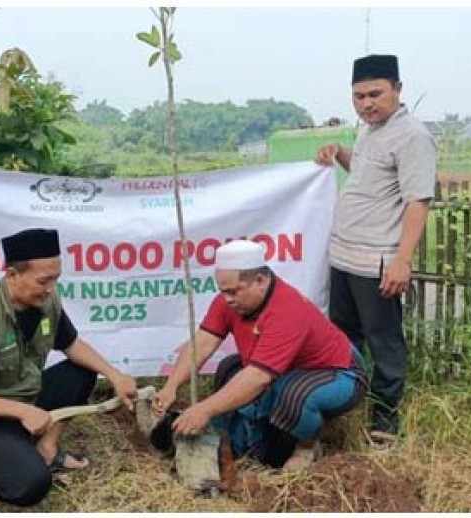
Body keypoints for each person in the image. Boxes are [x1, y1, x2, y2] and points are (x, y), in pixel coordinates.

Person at [0, 228, 139, 507]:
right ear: (11, 274)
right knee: (32, 484)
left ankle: (46, 446)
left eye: (55, 279)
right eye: (44, 281)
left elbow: (72, 343)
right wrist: (22, 411)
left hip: (22, 403)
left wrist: (115, 376)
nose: (51, 288)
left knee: (81, 371)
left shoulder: (46, 300)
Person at [152, 240, 367, 470]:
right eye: (223, 291)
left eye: (234, 291)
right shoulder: (229, 299)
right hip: (285, 369)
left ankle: (307, 446)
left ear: (260, 281)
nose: (227, 299)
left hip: (339, 372)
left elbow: (258, 377)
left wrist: (204, 409)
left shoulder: (287, 311)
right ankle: (226, 438)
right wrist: (172, 385)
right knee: (229, 368)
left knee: (294, 394)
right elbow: (202, 343)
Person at [315, 54, 437, 444]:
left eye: (375, 94)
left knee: (384, 342)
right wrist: (339, 152)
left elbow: (418, 201)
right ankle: (342, 407)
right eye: (358, 96)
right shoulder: (369, 130)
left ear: (398, 90)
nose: (366, 104)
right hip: (344, 257)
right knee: (343, 337)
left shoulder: (412, 136)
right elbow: (369, 175)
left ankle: (385, 421)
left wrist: (402, 261)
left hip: (376, 261)